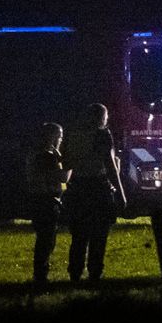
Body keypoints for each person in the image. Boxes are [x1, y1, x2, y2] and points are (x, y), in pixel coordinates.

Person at [61, 103, 127, 284]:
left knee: (79, 236)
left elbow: (66, 162)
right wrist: (121, 194)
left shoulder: (73, 135)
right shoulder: (102, 134)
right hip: (98, 188)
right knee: (99, 235)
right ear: (102, 118)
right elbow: (110, 166)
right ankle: (95, 273)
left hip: (77, 188)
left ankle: (75, 273)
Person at [25, 122, 70, 292]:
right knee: (46, 241)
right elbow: (64, 177)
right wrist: (70, 162)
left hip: (38, 199)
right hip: (47, 200)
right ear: (51, 136)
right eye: (59, 136)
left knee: (44, 239)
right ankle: (40, 277)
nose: (61, 139)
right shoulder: (46, 156)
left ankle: (40, 275)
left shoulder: (39, 153)